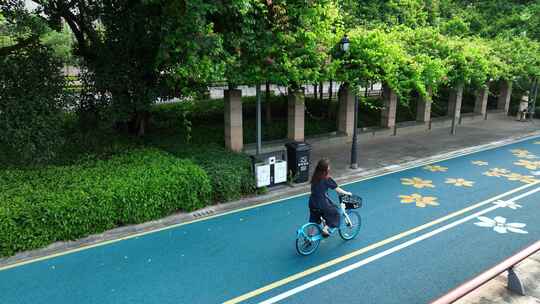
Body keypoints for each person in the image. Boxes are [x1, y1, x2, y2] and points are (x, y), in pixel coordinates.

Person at [309, 158, 352, 237]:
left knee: (315, 219)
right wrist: (347, 193)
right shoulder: (326, 179)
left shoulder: (315, 177)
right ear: (325, 169)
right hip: (321, 203)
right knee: (336, 213)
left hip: (312, 202)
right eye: (328, 166)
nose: (329, 167)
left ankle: (310, 235)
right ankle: (325, 229)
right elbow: (337, 189)